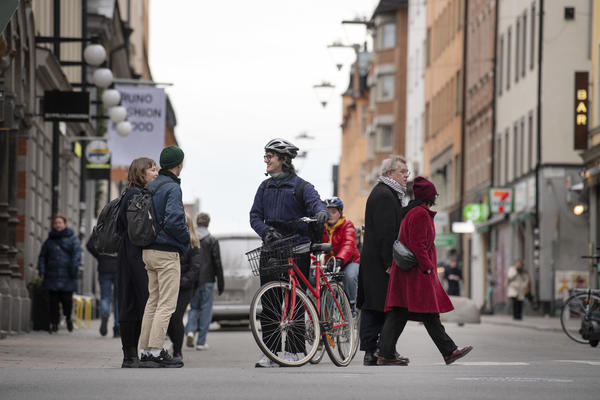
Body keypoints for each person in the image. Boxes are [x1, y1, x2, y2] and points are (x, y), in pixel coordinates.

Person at [249, 138, 328, 368]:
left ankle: (295, 350)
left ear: (283, 159)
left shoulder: (302, 187)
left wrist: (322, 213)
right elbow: (254, 215)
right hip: (272, 250)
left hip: (297, 249)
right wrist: (266, 231)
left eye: (269, 157)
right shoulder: (264, 187)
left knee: (296, 301)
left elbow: (317, 204)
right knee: (270, 302)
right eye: (265, 157)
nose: (266, 161)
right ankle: (270, 352)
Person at [377, 176, 473, 366]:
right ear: (430, 196)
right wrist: (428, 267)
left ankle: (386, 353)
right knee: (428, 313)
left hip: (407, 274)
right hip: (416, 274)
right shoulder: (420, 214)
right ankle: (449, 351)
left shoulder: (412, 212)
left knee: (400, 312)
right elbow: (418, 245)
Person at [138, 145, 190, 368]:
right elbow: (175, 220)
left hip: (148, 250)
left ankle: (144, 351)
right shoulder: (172, 188)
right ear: (180, 165)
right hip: (166, 252)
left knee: (153, 301)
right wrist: (186, 240)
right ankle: (157, 350)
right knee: (167, 305)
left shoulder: (151, 186)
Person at [357, 155, 410, 366]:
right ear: (390, 174)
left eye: (407, 172)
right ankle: (377, 351)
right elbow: (385, 233)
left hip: (375, 262)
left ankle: (376, 351)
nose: (406, 176)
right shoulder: (385, 195)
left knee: (377, 306)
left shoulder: (386, 193)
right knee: (379, 307)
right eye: (402, 172)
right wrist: (389, 262)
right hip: (380, 263)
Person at [116, 157, 157, 367]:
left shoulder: (127, 194)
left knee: (129, 301)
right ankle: (134, 355)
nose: (156, 172)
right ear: (141, 173)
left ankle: (129, 355)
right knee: (141, 301)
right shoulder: (137, 195)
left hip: (127, 252)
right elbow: (139, 230)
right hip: (136, 252)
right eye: (151, 169)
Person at [185, 212, 224, 351]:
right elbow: (217, 262)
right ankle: (201, 342)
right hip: (208, 280)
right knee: (206, 310)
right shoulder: (212, 240)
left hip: (193, 280)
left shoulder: (191, 238)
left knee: (193, 308)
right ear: (208, 223)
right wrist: (221, 283)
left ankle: (190, 331)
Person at [37, 214, 81, 333]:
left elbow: (77, 255)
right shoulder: (49, 240)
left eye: (60, 223)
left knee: (67, 301)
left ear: (65, 224)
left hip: (67, 275)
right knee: (53, 303)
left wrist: (74, 268)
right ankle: (54, 323)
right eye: (56, 223)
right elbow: (42, 257)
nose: (58, 225)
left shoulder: (72, 238)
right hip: (52, 276)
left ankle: (68, 318)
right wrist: (42, 270)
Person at [167, 215, 201, 362]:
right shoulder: (172, 242)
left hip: (184, 288)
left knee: (176, 317)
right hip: (170, 285)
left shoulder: (193, 245)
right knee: (167, 318)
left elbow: (195, 269)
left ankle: (177, 352)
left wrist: (181, 282)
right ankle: (174, 346)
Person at [321, 197, 360, 311]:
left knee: (350, 276)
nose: (331, 215)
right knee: (324, 282)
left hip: (350, 261)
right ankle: (327, 313)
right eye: (328, 212)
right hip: (331, 263)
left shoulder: (347, 225)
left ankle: (351, 306)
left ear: (340, 213)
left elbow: (348, 244)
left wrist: (339, 259)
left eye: (334, 212)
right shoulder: (323, 227)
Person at [86, 239, 119, 338]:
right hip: (119, 267)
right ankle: (117, 327)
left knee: (105, 296)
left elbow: (90, 245)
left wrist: (100, 256)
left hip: (104, 266)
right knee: (118, 299)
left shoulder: (102, 225)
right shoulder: (121, 225)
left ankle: (105, 313)